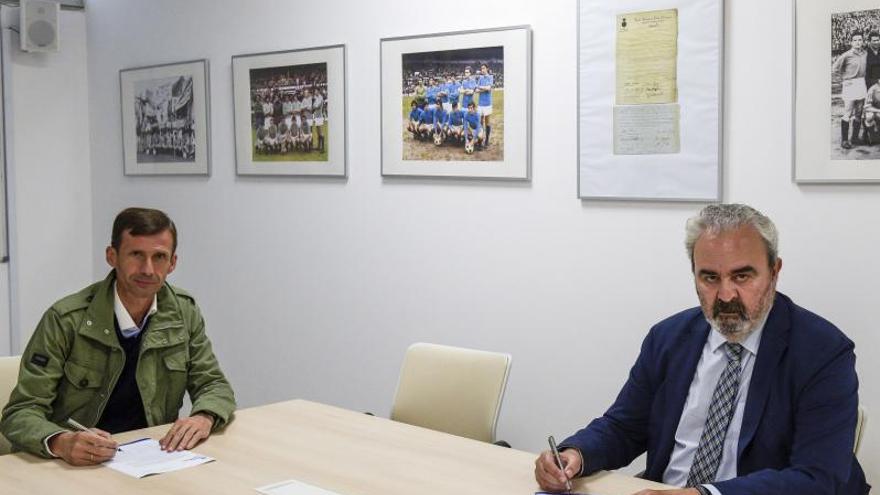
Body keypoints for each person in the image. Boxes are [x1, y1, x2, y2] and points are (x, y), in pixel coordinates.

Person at [534, 204, 868, 495]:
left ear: (774, 272)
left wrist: (704, 494)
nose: (725, 296)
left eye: (742, 276)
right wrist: (576, 454)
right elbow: (625, 426)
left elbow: (817, 479)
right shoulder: (668, 337)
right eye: (709, 278)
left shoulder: (822, 353)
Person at [1, 208, 236, 466]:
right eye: (136, 254)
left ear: (173, 263)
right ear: (112, 256)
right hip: (72, 465)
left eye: (159, 257)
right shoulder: (66, 319)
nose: (148, 269)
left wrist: (204, 416)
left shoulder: (183, 312)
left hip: (151, 459)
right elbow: (20, 413)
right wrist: (61, 441)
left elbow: (214, 384)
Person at [832, 32, 868, 149]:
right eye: (855, 40)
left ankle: (855, 138)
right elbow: (835, 69)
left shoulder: (865, 54)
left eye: (860, 40)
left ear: (863, 41)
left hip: (861, 83)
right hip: (850, 85)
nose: (858, 42)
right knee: (848, 112)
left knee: (859, 113)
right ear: (851, 42)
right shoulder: (846, 55)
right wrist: (843, 80)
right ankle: (844, 140)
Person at [476, 63, 494, 148]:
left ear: (487, 69)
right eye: (481, 68)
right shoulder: (480, 78)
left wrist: (481, 88)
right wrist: (485, 88)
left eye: (483, 68)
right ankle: (480, 140)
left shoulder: (491, 77)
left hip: (487, 103)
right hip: (480, 103)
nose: (482, 70)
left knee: (487, 121)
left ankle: (486, 140)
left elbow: (489, 88)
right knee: (480, 121)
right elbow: (476, 90)